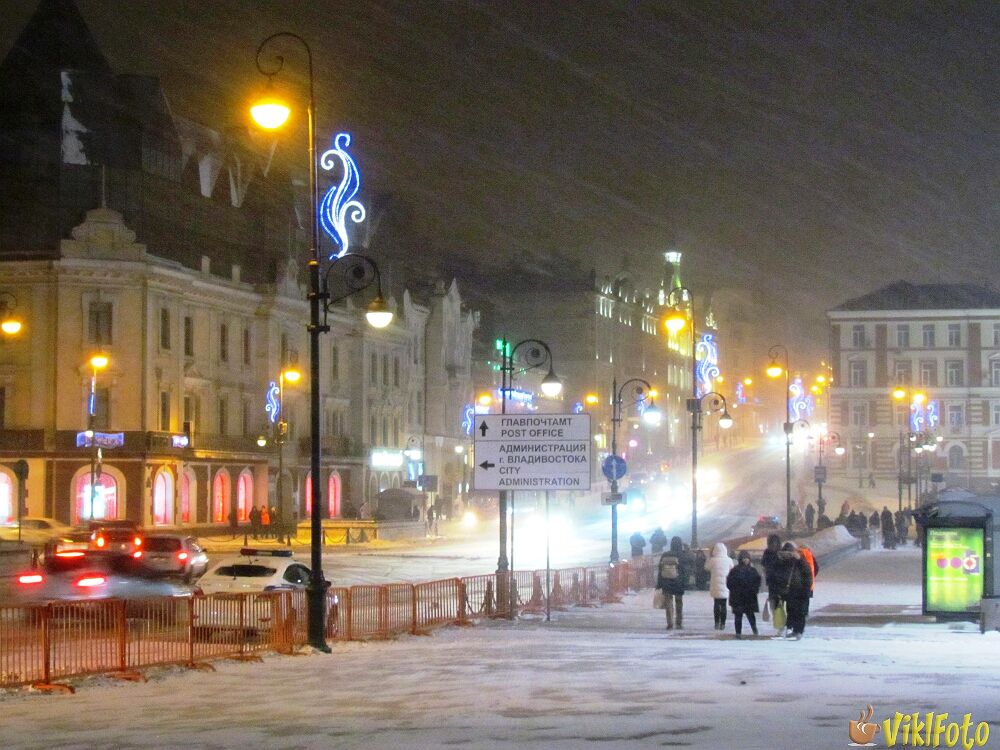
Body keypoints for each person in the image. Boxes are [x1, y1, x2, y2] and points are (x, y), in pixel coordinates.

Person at [774, 541, 814, 640]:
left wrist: (807, 589)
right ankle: (793, 630)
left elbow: (808, 575)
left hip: (801, 590)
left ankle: (798, 631)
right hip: (790, 591)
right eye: (785, 554)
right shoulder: (782, 563)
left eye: (789, 553)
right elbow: (777, 576)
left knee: (800, 612)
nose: (787, 556)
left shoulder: (800, 561)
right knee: (791, 611)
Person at [726, 550, 761, 638]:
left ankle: (754, 629)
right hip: (740, 596)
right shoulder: (737, 570)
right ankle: (739, 633)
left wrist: (754, 589)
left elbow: (757, 581)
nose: (746, 560)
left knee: (749, 615)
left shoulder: (750, 570)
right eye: (744, 558)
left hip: (746, 596)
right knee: (739, 616)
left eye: (747, 558)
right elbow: (729, 583)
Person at [656, 536, 688, 630]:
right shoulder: (682, 555)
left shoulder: (665, 555)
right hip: (678, 581)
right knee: (679, 602)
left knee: (668, 603)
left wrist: (659, 583)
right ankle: (679, 622)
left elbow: (660, 569)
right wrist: (685, 582)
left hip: (666, 581)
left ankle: (670, 623)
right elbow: (684, 570)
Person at [708, 542, 735, 630]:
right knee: (723, 605)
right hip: (725, 584)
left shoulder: (712, 560)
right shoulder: (729, 560)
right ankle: (723, 623)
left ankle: (716, 623)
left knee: (716, 604)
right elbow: (732, 569)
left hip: (715, 585)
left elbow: (706, 567)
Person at [761, 533, 783, 632]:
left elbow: (763, 565)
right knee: (775, 603)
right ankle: (779, 623)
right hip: (775, 582)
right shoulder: (780, 553)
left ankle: (779, 623)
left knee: (776, 603)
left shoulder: (769, 553)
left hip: (776, 582)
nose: (774, 545)